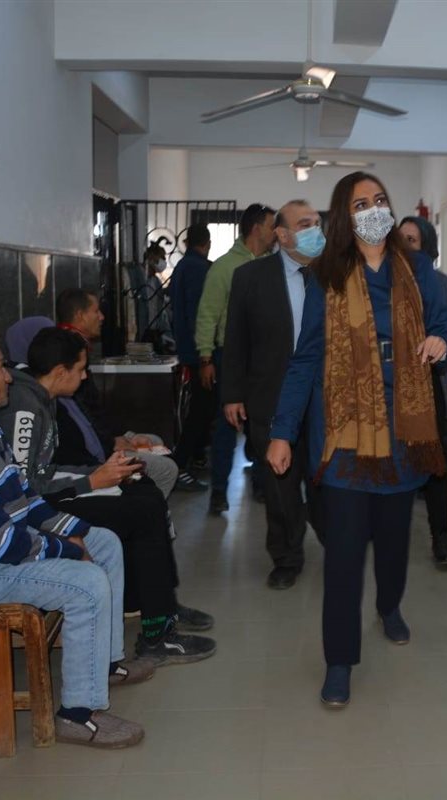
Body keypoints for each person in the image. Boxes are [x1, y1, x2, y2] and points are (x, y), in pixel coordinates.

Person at [266, 171, 447, 707]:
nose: (373, 210)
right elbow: (306, 360)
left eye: (380, 200)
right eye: (360, 204)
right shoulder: (326, 275)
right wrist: (282, 432)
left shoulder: (417, 268)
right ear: (344, 218)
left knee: (394, 541)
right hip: (346, 433)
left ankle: (389, 605)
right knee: (345, 555)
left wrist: (440, 341)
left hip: (403, 428)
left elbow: (444, 326)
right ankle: (339, 660)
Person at [0, 334, 148, 748]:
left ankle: (104, 664)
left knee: (103, 541)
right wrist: (67, 550)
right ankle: (77, 714)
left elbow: (25, 502)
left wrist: (74, 531)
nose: (8, 376)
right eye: (0, 367)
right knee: (86, 583)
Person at [0, 322, 216, 665]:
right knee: (143, 510)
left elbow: (46, 471)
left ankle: (160, 609)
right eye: (81, 369)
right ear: (60, 372)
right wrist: (91, 482)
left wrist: (102, 474)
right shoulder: (25, 408)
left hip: (52, 494)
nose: (85, 376)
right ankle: (157, 633)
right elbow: (25, 487)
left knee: (144, 492)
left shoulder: (42, 398)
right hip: (35, 511)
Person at [222, 200, 322, 589]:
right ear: (282, 234)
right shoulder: (251, 276)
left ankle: (334, 536)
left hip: (323, 398)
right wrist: (233, 393)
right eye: (305, 224)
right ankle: (286, 557)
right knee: (280, 486)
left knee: (325, 480)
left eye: (317, 223)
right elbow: (236, 339)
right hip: (270, 395)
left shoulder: (333, 276)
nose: (315, 230)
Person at [54, 289, 194, 495]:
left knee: (154, 442)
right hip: (92, 456)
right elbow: (86, 417)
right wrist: (113, 442)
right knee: (166, 469)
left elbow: (94, 414)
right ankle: (147, 505)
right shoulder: (69, 356)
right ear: (80, 315)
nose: (102, 317)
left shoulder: (77, 351)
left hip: (101, 439)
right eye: (96, 311)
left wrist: (120, 437)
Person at [195, 203, 278, 515]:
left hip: (263, 358)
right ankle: (219, 491)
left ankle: (261, 483)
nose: (275, 233)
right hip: (229, 356)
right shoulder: (224, 268)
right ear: (256, 229)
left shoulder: (272, 267)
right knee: (226, 426)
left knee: (262, 423)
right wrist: (206, 358)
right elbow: (208, 314)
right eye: (271, 226)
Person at [400, 214, 447, 568]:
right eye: (401, 239)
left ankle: (441, 537)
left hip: (427, 378)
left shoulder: (439, 283)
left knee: (435, 461)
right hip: (391, 384)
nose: (404, 246)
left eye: (412, 240)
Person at [169, 224, 216, 475]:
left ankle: (195, 455)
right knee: (201, 409)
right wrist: (205, 354)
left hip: (187, 347)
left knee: (200, 406)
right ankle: (181, 461)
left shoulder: (181, 267)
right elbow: (200, 314)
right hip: (199, 351)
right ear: (207, 244)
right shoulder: (198, 269)